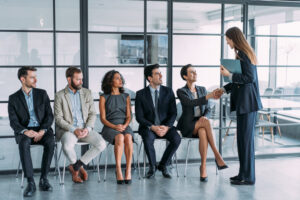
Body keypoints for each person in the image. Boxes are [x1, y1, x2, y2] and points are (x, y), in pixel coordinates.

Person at [219, 27, 263, 185]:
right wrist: (224, 88)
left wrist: (228, 75)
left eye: (228, 39)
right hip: (245, 104)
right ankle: (243, 174)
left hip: (248, 104)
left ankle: (248, 177)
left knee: (245, 141)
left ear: (233, 38)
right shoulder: (242, 53)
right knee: (242, 141)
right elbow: (240, 82)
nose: (227, 42)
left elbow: (249, 78)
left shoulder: (244, 54)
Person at [8, 66, 55, 197]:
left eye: (35, 76)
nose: (36, 79)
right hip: (25, 131)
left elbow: (49, 116)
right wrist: (24, 131)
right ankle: (31, 182)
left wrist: (42, 130)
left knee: (51, 142)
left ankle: (44, 179)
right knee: (23, 144)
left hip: (42, 129)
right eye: (32, 77)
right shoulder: (13, 98)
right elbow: (13, 121)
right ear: (23, 79)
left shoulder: (42, 93)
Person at [177, 64, 228, 182]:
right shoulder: (181, 91)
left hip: (201, 124)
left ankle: (203, 167)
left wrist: (205, 116)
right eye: (191, 72)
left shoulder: (202, 89)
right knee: (206, 124)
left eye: (195, 72)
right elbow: (190, 103)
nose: (195, 74)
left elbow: (208, 109)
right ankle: (217, 155)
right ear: (185, 76)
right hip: (188, 125)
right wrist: (209, 96)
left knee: (203, 130)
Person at [54, 67, 106, 183]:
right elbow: (58, 119)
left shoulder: (86, 93)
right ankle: (78, 168)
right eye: (78, 80)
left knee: (102, 144)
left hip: (85, 129)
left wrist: (87, 128)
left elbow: (92, 113)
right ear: (69, 79)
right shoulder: (60, 95)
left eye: (82, 79)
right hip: (68, 130)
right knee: (67, 146)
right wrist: (74, 129)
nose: (81, 82)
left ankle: (76, 166)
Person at [135, 64, 181, 179]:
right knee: (147, 138)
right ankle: (152, 167)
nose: (161, 75)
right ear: (149, 78)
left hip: (166, 126)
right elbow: (139, 117)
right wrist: (152, 127)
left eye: (161, 73)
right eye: (157, 73)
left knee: (176, 139)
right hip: (149, 127)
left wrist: (166, 127)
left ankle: (163, 165)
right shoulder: (140, 94)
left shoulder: (168, 91)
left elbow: (173, 113)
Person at [99, 70, 134, 184]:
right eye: (117, 78)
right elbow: (103, 119)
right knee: (120, 138)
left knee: (128, 137)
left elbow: (129, 116)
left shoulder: (126, 96)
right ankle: (118, 170)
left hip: (125, 125)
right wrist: (115, 126)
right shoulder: (104, 97)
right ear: (110, 81)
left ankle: (128, 170)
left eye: (121, 78)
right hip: (110, 126)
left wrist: (124, 125)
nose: (121, 80)